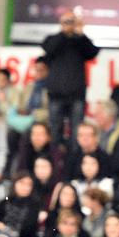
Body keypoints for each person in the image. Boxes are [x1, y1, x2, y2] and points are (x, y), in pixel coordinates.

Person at [42, 12, 100, 145]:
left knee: (76, 132)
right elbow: (49, 49)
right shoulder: (53, 39)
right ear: (61, 23)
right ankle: (55, 159)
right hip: (56, 94)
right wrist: (63, 33)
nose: (69, 24)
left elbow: (92, 53)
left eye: (71, 21)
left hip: (76, 94)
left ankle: (74, 161)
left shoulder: (79, 40)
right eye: (66, 21)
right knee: (55, 130)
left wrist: (80, 34)